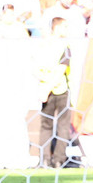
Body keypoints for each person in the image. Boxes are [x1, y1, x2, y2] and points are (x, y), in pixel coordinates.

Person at [34, 17, 72, 168]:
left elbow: (34, 68)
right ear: (57, 28)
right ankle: (58, 160)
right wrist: (50, 86)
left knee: (46, 126)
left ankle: (44, 160)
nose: (66, 30)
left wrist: (44, 87)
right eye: (64, 27)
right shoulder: (64, 46)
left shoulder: (42, 45)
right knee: (62, 125)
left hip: (45, 90)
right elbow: (61, 69)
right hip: (60, 89)